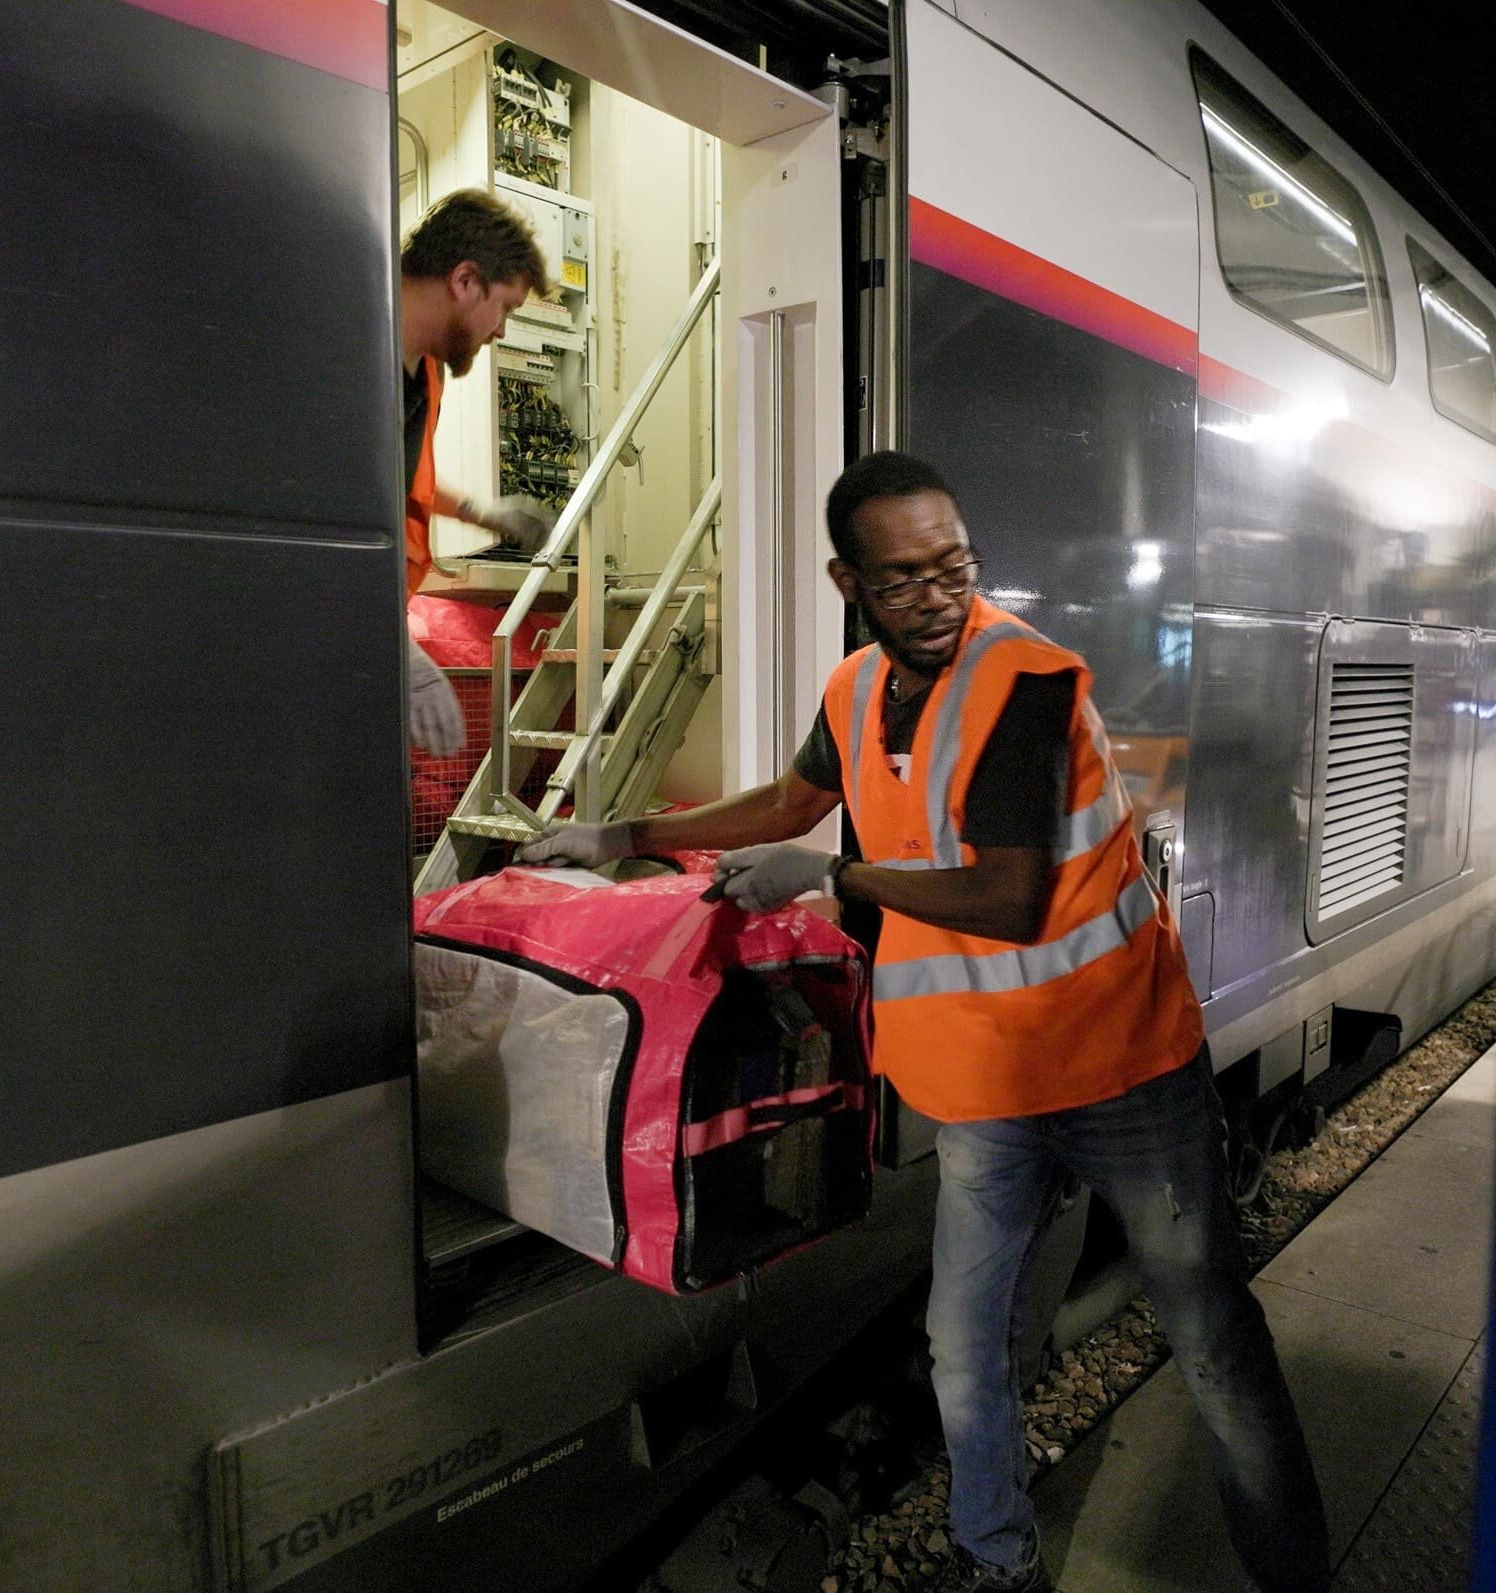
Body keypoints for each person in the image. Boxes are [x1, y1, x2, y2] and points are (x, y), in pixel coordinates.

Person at [521, 451, 1330, 1593]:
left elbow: (1011, 898)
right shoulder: (854, 691)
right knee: (960, 1350)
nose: (939, 597)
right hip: (982, 1092)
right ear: (847, 580)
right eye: (905, 580)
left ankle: (1291, 1572)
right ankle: (997, 1564)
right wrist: (622, 839)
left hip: (1121, 1071)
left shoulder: (1026, 682)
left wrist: (831, 877)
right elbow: (789, 801)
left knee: (1206, 1335)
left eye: (954, 567)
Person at [399, 189, 558, 756]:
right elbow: (320, 522)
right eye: (507, 308)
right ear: (465, 281)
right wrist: (396, 649)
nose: (501, 332)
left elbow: (388, 483)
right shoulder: (344, 354)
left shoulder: (426, 376)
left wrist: (480, 512)